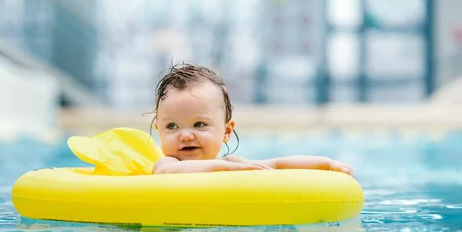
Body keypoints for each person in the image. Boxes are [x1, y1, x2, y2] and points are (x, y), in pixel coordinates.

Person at [150, 63, 354, 176]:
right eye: (172, 126)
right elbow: (169, 172)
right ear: (159, 131)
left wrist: (327, 164)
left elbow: (277, 164)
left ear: (226, 132)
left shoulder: (231, 163)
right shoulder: (166, 164)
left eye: (199, 124)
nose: (185, 135)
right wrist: (227, 169)